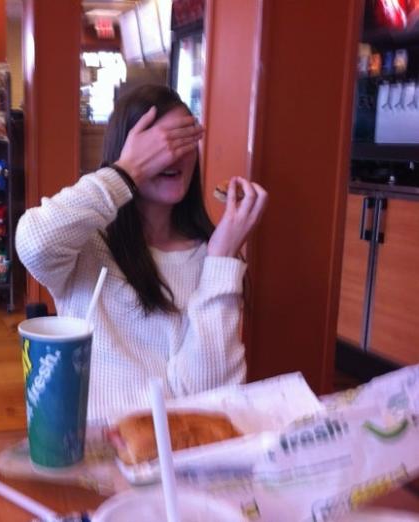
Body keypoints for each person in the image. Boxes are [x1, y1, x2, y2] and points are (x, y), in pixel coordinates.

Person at [15, 85, 268, 422]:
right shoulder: (87, 246)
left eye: (182, 140)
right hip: (98, 442)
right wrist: (126, 172)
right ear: (126, 150)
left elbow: (211, 392)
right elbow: (34, 243)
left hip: (179, 443)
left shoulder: (211, 258)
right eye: (156, 145)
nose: (171, 155)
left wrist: (222, 258)